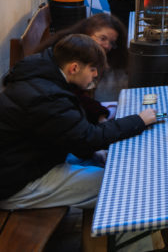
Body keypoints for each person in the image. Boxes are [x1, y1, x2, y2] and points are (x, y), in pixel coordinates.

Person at [0, 35, 156, 209]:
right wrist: (138, 120)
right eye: (92, 69)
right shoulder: (47, 97)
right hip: (17, 185)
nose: (96, 75)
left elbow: (67, 132)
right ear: (74, 68)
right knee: (118, 186)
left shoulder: (41, 72)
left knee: (108, 166)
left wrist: (92, 154)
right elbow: (87, 137)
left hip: (25, 161)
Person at [33, 13, 129, 124]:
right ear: (87, 32)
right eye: (103, 38)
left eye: (112, 42)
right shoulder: (67, 54)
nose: (107, 46)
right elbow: (74, 95)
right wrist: (99, 115)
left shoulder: (75, 47)